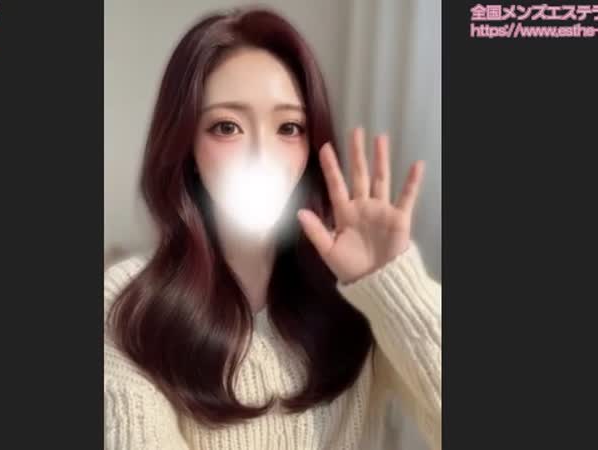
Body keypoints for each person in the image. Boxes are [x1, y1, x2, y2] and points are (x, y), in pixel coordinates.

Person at [104, 7, 440, 450]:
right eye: (227, 127)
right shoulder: (126, 303)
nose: (261, 155)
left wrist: (392, 284)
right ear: (187, 147)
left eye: (289, 127)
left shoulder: (359, 298)